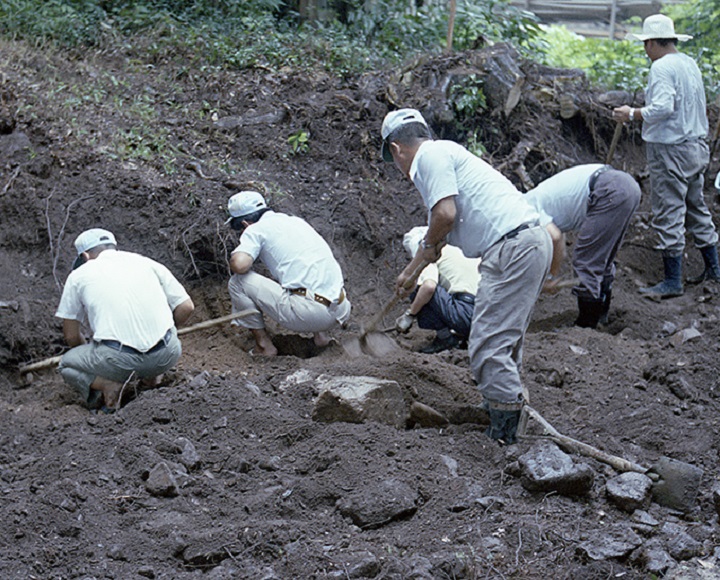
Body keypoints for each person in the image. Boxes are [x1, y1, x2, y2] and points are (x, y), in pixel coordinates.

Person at [382, 108, 552, 444]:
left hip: (512, 247)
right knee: (502, 339)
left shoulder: (430, 157)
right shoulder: (445, 154)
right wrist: (409, 271)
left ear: (396, 149)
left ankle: (503, 435)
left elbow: (443, 216)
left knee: (487, 343)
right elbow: (439, 236)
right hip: (522, 243)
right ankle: (502, 407)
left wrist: (424, 251)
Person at [613, 14, 719, 297]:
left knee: (669, 210)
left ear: (650, 43)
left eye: (645, 45)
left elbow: (663, 108)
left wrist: (632, 114)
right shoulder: (688, 63)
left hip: (671, 149)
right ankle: (714, 269)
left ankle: (672, 281)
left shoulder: (661, 68)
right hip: (696, 146)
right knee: (696, 206)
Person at [56, 228, 195, 411]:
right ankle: (151, 381)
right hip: (167, 354)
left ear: (85, 256)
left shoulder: (78, 276)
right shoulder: (146, 262)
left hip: (119, 360)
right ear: (114, 247)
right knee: (163, 338)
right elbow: (187, 307)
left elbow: (71, 336)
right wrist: (168, 331)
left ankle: (107, 384)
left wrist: (96, 361)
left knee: (65, 364)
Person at [226, 190, 351, 356]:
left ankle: (264, 346)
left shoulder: (254, 229)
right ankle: (321, 337)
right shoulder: (295, 221)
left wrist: (240, 250)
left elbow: (240, 265)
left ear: (243, 224)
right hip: (341, 308)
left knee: (238, 282)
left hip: (311, 315)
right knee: (301, 274)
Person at [525, 164, 641, 328]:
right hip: (625, 186)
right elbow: (558, 242)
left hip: (608, 190)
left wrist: (551, 277)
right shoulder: (537, 199)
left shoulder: (525, 209)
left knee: (586, 262)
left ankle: (586, 326)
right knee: (602, 259)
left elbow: (556, 237)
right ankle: (601, 317)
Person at [395, 226, 480, 353]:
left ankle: (446, 338)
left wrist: (410, 314)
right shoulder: (458, 248)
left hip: (463, 314)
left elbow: (429, 287)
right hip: (485, 317)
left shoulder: (431, 254)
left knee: (418, 290)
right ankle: (461, 337)